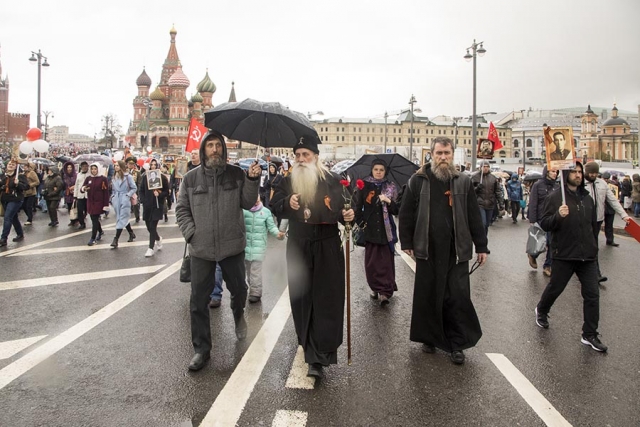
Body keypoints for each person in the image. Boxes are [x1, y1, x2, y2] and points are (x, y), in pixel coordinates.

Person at [176, 130, 261, 372]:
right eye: (210, 145)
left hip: (231, 246)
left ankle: (238, 317)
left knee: (239, 290)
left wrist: (253, 180)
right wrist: (192, 233)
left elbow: (247, 202)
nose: (214, 149)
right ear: (203, 151)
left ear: (223, 149)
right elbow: (181, 209)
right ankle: (201, 349)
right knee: (197, 302)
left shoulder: (236, 174)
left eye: (218, 145)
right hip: (201, 249)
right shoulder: (191, 179)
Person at [270, 136, 354, 378]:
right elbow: (274, 204)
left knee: (327, 296)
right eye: (297, 156)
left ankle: (321, 353)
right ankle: (308, 345)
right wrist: (288, 202)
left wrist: (349, 215)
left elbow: (347, 207)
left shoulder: (332, 180)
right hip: (299, 243)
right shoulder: (288, 180)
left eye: (305, 155)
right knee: (302, 296)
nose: (301, 160)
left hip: (327, 244)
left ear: (316, 157)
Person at [399, 137, 487, 365]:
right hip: (427, 248)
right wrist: (406, 241)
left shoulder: (462, 181)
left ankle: (457, 344)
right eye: (439, 153)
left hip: (455, 248)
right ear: (431, 154)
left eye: (447, 153)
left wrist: (482, 246)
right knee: (428, 294)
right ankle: (429, 337)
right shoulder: (418, 180)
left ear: (453, 154)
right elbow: (406, 213)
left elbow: (473, 216)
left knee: (457, 296)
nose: (443, 157)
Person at [534, 162, 607, 352]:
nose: (578, 175)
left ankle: (589, 334)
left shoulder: (587, 198)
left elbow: (593, 227)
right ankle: (542, 309)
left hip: (587, 257)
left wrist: (593, 248)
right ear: (566, 174)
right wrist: (558, 215)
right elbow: (546, 223)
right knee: (555, 288)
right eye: (574, 172)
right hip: (565, 254)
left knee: (592, 295)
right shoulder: (556, 197)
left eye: (580, 172)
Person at [354, 159, 399, 306]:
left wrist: (388, 200)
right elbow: (357, 206)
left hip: (386, 231)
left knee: (386, 262)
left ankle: (385, 292)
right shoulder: (364, 186)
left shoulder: (390, 187)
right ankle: (375, 287)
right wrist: (361, 223)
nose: (378, 172)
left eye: (381, 170)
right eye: (376, 169)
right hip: (371, 230)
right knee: (372, 263)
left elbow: (396, 210)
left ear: (385, 171)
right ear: (372, 170)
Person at [583, 162, 630, 282]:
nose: (593, 175)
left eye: (595, 173)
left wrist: (624, 215)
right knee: (588, 246)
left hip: (597, 220)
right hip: (583, 220)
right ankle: (591, 272)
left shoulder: (602, 183)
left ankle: (593, 273)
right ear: (586, 172)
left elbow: (613, 200)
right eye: (591, 173)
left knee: (593, 246)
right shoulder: (580, 184)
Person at [243, 195, 285, 303]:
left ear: (260, 199)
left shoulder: (266, 212)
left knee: (255, 271)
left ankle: (255, 293)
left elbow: (271, 227)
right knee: (248, 272)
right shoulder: (244, 211)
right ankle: (251, 287)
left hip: (259, 247)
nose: (255, 202)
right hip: (246, 247)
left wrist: (278, 234)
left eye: (257, 199)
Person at [527, 166, 559, 276]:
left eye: (556, 172)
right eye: (553, 171)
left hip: (553, 218)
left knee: (551, 243)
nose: (555, 174)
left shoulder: (557, 186)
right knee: (540, 242)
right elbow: (533, 203)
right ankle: (533, 255)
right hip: (541, 218)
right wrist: (532, 220)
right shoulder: (537, 185)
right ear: (547, 172)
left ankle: (547, 265)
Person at [140, 159, 169, 257]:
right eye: (151, 165)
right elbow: (141, 190)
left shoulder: (162, 178)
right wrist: (143, 200)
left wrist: (159, 194)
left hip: (157, 205)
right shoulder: (145, 177)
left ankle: (150, 247)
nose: (153, 166)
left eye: (155, 165)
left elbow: (166, 191)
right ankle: (158, 238)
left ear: (158, 166)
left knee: (153, 226)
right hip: (147, 206)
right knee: (149, 227)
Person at [471, 160, 503, 241]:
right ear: (480, 167)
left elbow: (498, 191)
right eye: (484, 166)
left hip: (490, 204)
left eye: (487, 167)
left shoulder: (493, 178)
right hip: (479, 204)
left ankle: (484, 240)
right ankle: (482, 241)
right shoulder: (475, 177)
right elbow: (470, 191)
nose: (485, 168)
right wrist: (477, 188)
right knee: (483, 224)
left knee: (487, 225)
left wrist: (501, 203)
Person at [0, 159, 29, 246]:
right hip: (5, 199)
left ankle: (3, 238)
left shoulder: (19, 176)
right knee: (13, 217)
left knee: (8, 217)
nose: (11, 165)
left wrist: (18, 184)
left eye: (13, 164)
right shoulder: (3, 176)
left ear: (16, 167)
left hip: (15, 199)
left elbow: (26, 186)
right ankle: (20, 234)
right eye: (9, 164)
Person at [109, 160, 137, 249]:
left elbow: (134, 187)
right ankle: (131, 233)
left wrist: (127, 195)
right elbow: (113, 189)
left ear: (121, 166)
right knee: (122, 218)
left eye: (117, 165)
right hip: (117, 199)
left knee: (121, 219)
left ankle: (116, 239)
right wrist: (113, 196)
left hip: (125, 198)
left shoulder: (128, 176)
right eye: (115, 165)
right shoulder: (114, 177)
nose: (116, 167)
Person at [81, 163, 110, 245]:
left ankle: (93, 238)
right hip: (90, 202)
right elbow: (82, 188)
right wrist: (84, 188)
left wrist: (106, 205)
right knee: (94, 219)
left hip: (99, 202)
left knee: (94, 219)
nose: (93, 171)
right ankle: (100, 231)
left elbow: (106, 192)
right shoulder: (88, 178)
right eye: (92, 169)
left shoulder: (103, 179)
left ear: (98, 169)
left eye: (95, 169)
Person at [601, 172, 618, 246]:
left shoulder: (613, 186)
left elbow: (615, 198)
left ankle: (610, 240)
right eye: (605, 179)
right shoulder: (598, 185)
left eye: (607, 179)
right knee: (596, 225)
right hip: (601, 208)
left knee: (609, 225)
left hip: (610, 209)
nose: (606, 180)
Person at [21, 162, 40, 226]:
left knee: (29, 206)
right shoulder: (24, 173)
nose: (24, 167)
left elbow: (37, 182)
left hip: (31, 192)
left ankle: (29, 219)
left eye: (26, 166)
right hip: (24, 192)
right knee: (23, 206)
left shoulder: (32, 173)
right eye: (24, 166)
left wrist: (29, 185)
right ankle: (29, 216)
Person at [73, 161, 90, 230]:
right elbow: (76, 185)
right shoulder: (79, 175)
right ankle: (82, 223)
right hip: (80, 195)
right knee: (80, 210)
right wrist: (75, 195)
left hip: (88, 195)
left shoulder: (90, 174)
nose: (84, 168)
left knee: (88, 209)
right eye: (83, 166)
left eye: (86, 166)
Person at [126, 157, 142, 223]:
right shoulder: (124, 172)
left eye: (132, 164)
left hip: (134, 191)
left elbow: (139, 183)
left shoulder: (137, 173)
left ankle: (137, 216)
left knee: (135, 205)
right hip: (126, 191)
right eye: (129, 164)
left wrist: (138, 192)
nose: (130, 165)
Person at [62, 161, 77, 226]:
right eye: (68, 167)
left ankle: (76, 219)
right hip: (67, 193)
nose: (69, 168)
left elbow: (77, 183)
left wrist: (73, 187)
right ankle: (72, 220)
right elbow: (63, 184)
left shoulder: (75, 175)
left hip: (74, 193)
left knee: (75, 207)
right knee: (69, 207)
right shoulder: (65, 176)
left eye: (70, 167)